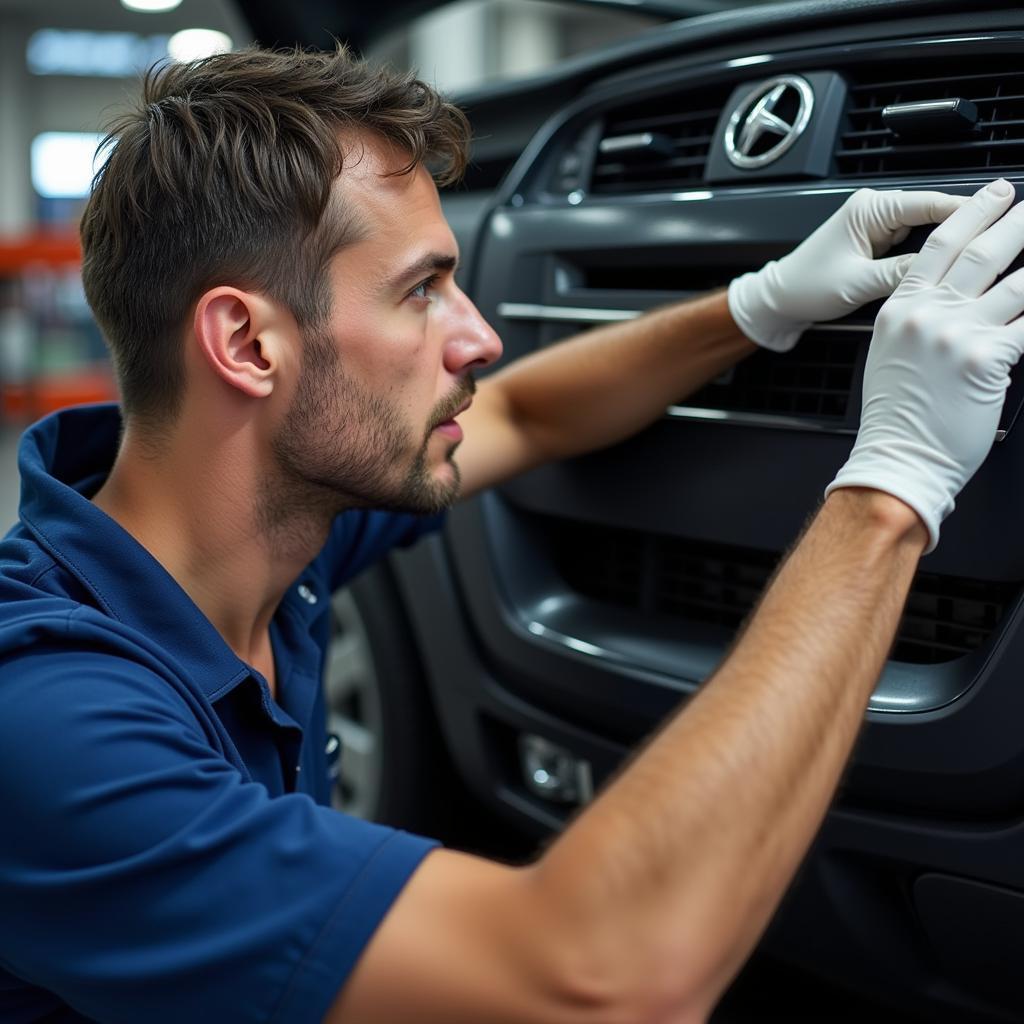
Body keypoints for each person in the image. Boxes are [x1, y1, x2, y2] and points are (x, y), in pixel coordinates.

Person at [0, 45, 1021, 1024]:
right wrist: (896, 483)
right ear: (247, 343)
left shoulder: (255, 532)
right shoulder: (48, 720)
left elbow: (528, 414)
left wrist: (759, 308)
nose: (480, 337)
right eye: (420, 290)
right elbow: (597, 976)